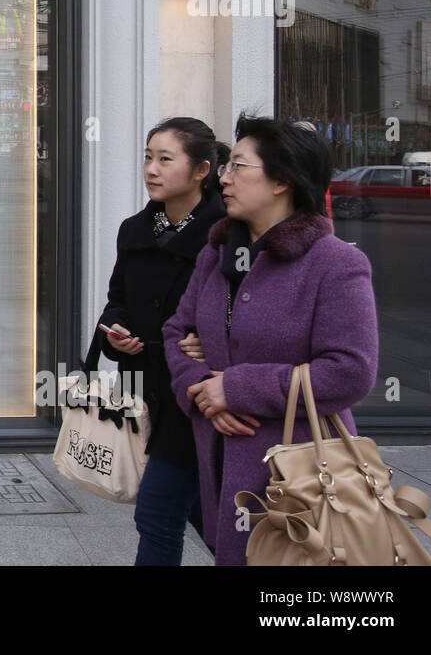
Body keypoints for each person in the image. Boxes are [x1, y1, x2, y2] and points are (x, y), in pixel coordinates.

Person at [163, 115, 379, 566]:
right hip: (220, 458)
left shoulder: (335, 263)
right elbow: (177, 331)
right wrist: (203, 390)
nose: (224, 177)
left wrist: (236, 388)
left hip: (301, 474)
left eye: (239, 166)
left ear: (282, 180)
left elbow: (350, 371)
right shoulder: (218, 251)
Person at [93, 117, 228, 565]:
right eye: (148, 157)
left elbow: (240, 312)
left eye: (165, 159)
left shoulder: (226, 236)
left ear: (201, 170)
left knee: (157, 514)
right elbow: (117, 302)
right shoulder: (135, 230)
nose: (151, 168)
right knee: (197, 513)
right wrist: (117, 335)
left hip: (193, 392)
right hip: (143, 390)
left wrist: (210, 343)